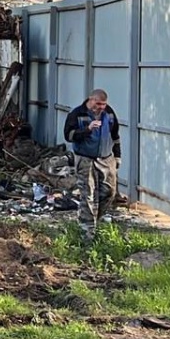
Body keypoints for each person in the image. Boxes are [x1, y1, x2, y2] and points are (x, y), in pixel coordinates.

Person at [63, 89, 121, 242]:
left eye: (104, 104)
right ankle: (87, 234)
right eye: (98, 103)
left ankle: (96, 220)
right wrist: (87, 130)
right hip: (85, 158)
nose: (101, 107)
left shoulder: (109, 114)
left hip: (106, 158)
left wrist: (118, 156)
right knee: (88, 193)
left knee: (109, 192)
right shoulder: (77, 114)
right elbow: (68, 136)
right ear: (91, 99)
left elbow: (115, 136)